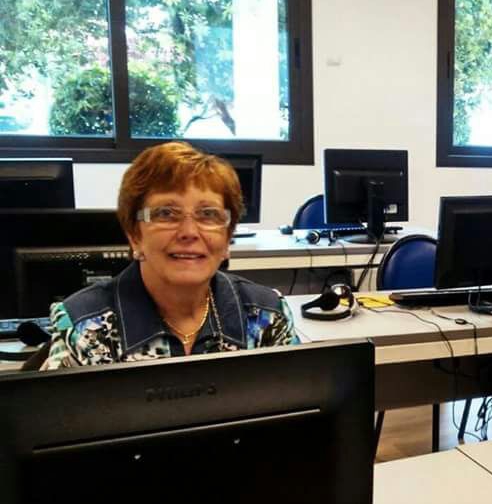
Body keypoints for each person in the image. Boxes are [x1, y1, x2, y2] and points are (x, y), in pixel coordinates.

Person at [40, 142, 298, 369]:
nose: (189, 232)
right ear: (134, 235)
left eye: (208, 214)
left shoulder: (267, 315)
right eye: (166, 214)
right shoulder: (84, 327)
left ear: (227, 237)